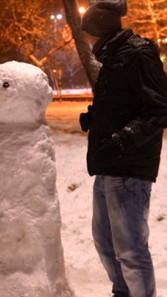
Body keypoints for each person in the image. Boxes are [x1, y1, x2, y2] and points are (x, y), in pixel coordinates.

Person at [80, 1, 167, 296]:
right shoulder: (114, 57)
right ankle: (123, 292)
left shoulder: (139, 54)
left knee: (130, 249)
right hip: (108, 163)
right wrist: (96, 119)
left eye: (90, 33)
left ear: (101, 28)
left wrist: (122, 139)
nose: (88, 40)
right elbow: (123, 104)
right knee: (104, 241)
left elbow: (158, 109)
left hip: (130, 167)